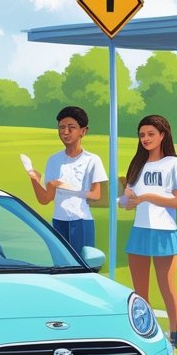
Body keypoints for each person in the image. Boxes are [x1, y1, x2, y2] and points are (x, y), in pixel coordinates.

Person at [119, 115, 177, 355]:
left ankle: (174, 338)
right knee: (140, 292)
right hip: (140, 231)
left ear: (162, 135)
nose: (146, 139)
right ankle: (144, 336)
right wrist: (126, 199)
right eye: (142, 135)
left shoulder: (174, 164)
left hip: (164, 232)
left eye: (150, 134)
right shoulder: (138, 165)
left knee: (167, 288)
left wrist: (147, 197)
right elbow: (128, 200)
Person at [28, 105, 107, 251]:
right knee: (61, 264)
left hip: (81, 221)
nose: (65, 132)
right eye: (61, 127)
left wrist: (67, 187)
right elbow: (45, 199)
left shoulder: (92, 160)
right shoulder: (53, 160)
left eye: (71, 127)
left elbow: (96, 195)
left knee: (83, 265)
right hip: (58, 221)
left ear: (83, 131)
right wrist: (34, 179)